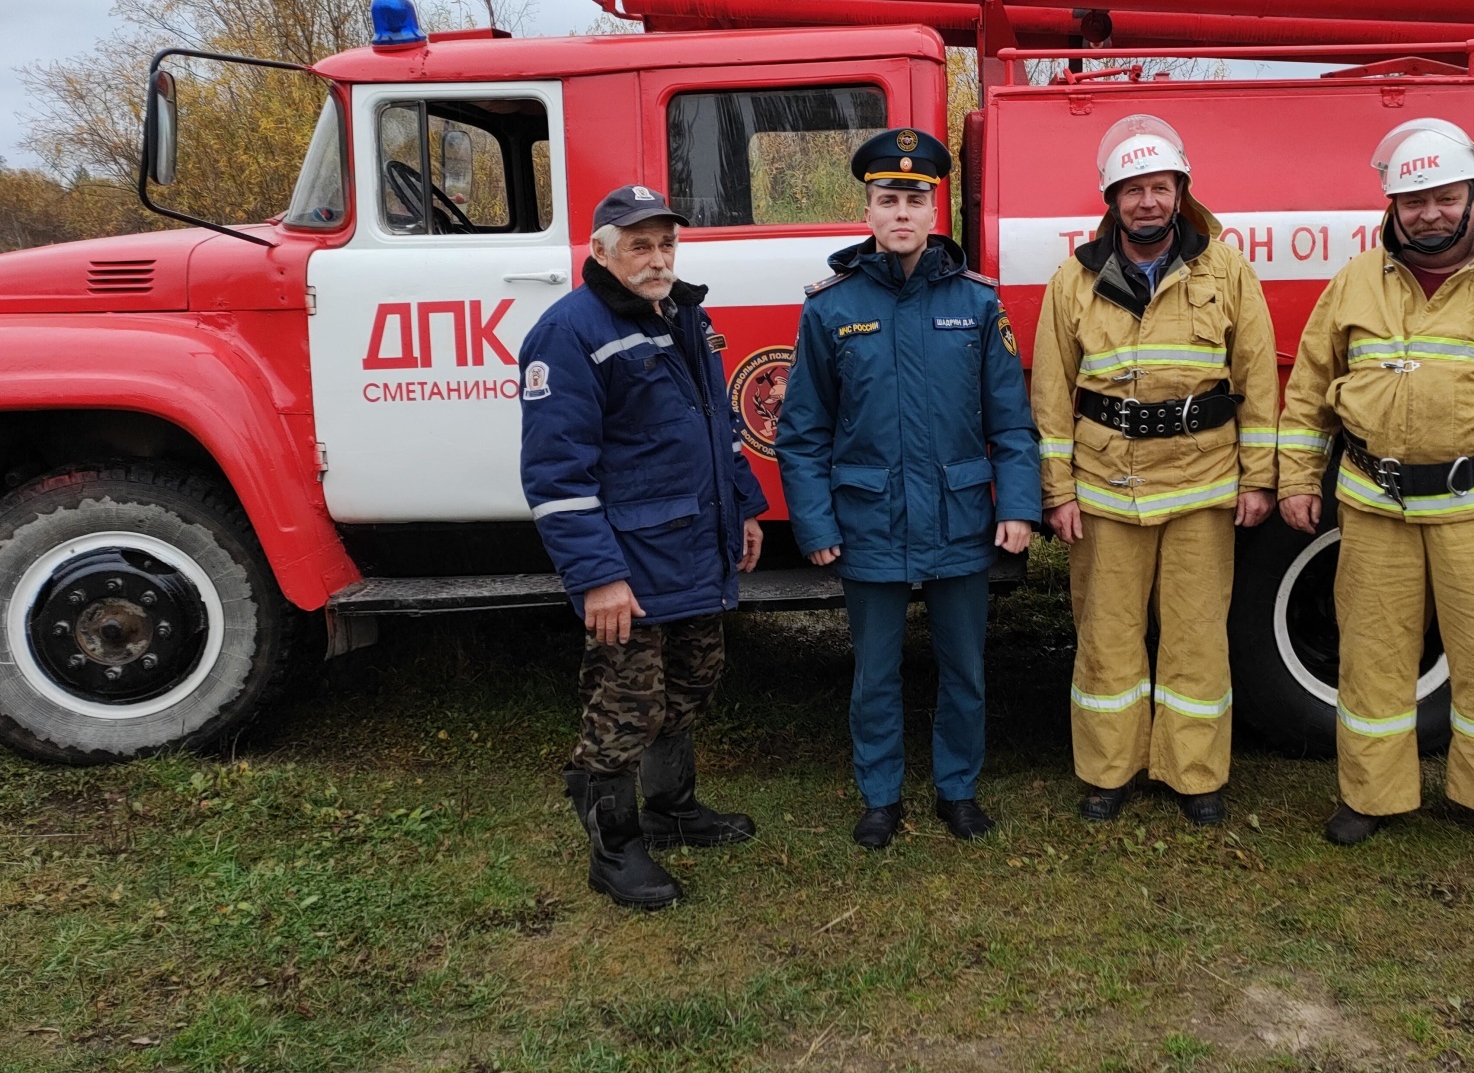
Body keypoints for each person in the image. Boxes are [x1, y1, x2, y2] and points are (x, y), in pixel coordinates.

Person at [1274, 118, 1474, 864]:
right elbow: (1310, 391)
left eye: (1444, 197)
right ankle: (1370, 794)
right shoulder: (1355, 282)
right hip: (1376, 506)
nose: (1428, 213)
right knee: (1372, 656)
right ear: (1391, 206)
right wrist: (1296, 477)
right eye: (1412, 200)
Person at [776, 127, 1041, 849]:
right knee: (875, 674)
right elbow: (802, 433)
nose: (901, 213)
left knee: (965, 670)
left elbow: (1013, 424)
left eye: (915, 200)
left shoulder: (977, 303)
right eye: (887, 199)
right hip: (869, 521)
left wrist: (1018, 505)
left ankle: (958, 789)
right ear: (867, 211)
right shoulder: (829, 309)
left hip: (960, 518)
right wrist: (817, 525)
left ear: (935, 212)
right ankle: (881, 797)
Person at [520, 185, 770, 911]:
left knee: (697, 673)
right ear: (600, 251)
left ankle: (671, 807)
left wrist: (747, 509)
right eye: (639, 245)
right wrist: (597, 576)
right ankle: (614, 844)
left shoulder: (683, 313)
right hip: (628, 561)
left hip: (693, 544)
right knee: (626, 698)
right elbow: (556, 474)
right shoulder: (569, 331)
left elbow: (715, 425)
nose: (657, 258)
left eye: (665, 244)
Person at [1030, 114, 1278, 825]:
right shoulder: (1072, 282)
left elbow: (1257, 380)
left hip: (1202, 486)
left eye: (1160, 187)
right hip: (1108, 489)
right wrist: (1059, 492)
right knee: (1107, 637)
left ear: (1180, 194)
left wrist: (1259, 479)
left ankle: (1194, 774)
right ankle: (1110, 772)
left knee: (1198, 637)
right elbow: (1050, 397)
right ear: (1111, 199)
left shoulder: (1226, 271)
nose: (1147, 201)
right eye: (1132, 189)